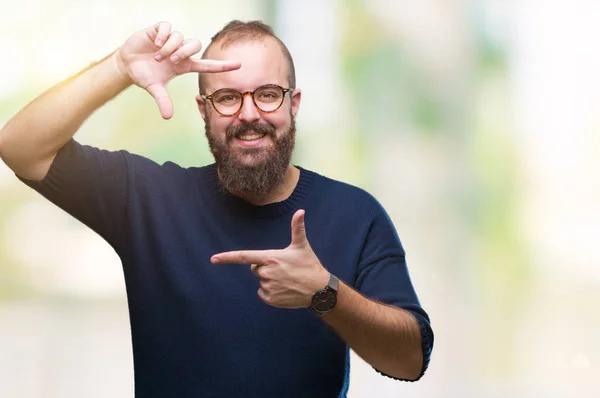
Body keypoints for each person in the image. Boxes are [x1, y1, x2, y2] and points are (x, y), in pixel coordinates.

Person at [0, 20, 434, 397]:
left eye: (267, 94)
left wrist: (325, 294)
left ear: (293, 103)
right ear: (204, 110)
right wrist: (118, 68)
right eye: (227, 97)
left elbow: (409, 361)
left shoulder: (355, 213)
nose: (249, 114)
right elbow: (20, 148)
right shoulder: (148, 198)